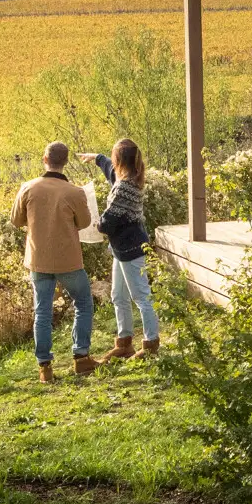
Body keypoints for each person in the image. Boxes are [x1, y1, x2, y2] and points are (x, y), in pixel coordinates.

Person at [11, 141, 96, 383]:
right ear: (66, 162)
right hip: (69, 259)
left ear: (44, 159)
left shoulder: (28, 188)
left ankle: (45, 368)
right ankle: (81, 358)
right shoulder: (75, 192)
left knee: (42, 312)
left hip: (38, 259)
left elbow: (16, 221)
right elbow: (84, 223)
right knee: (83, 304)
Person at [78, 139, 159, 359]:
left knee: (141, 296)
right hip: (121, 249)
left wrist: (93, 223)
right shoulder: (127, 177)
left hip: (131, 249)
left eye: (113, 157)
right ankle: (124, 343)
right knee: (118, 296)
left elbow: (107, 222)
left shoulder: (125, 188)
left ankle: (151, 344)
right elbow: (111, 172)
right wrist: (97, 158)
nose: (111, 161)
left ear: (120, 159)